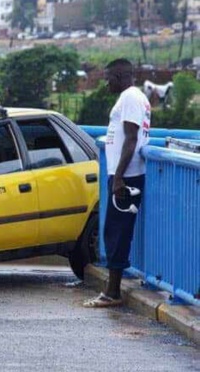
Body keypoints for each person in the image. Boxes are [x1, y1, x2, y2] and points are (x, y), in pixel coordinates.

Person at [84, 58, 151, 308]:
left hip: (127, 177)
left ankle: (112, 293)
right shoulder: (134, 96)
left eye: (108, 78)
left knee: (117, 233)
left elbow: (131, 139)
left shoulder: (130, 97)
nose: (106, 83)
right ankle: (112, 290)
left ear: (122, 76)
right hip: (124, 175)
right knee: (115, 231)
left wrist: (119, 177)